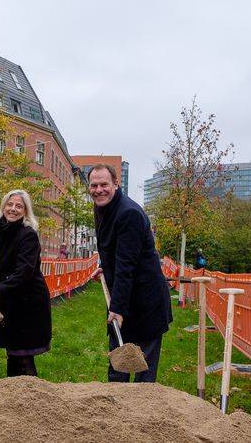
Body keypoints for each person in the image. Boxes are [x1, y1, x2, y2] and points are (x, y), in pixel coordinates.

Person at [88, 163, 172, 383]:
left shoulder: (128, 214)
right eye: (94, 185)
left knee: (144, 372)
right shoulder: (103, 207)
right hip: (125, 296)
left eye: (104, 184)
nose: (98, 190)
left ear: (116, 183)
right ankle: (116, 414)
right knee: (118, 368)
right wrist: (105, 267)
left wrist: (117, 308)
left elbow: (127, 265)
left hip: (146, 302)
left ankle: (143, 415)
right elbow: (116, 252)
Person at [0, 190, 52, 377]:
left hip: (28, 302)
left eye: (19, 206)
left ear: (26, 212)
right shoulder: (2, 230)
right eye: (9, 204)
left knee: (23, 356)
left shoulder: (28, 235)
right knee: (12, 352)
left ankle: (33, 401)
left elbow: (23, 273)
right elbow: (3, 261)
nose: (13, 209)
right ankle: (13, 400)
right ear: (3, 207)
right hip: (12, 297)